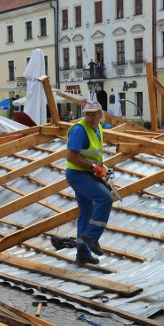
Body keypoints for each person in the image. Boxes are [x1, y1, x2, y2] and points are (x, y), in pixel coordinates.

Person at [65, 101, 112, 265]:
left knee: (86, 212)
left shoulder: (98, 128)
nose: (91, 118)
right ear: (84, 114)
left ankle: (82, 253)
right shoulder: (79, 130)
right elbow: (72, 157)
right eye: (88, 114)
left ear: (101, 115)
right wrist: (93, 167)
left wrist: (102, 168)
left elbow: (94, 155)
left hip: (88, 173)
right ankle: (92, 237)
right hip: (78, 174)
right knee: (105, 199)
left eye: (94, 115)